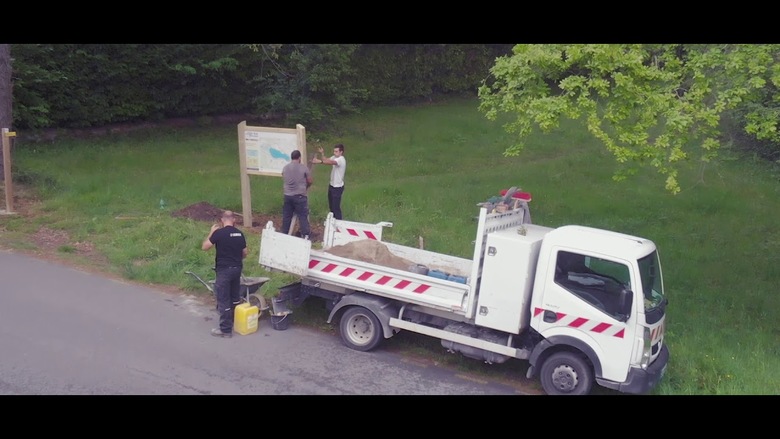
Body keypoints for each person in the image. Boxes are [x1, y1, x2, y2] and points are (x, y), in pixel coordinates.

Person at [202, 210, 248, 338]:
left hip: (224, 270)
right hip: (237, 269)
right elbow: (245, 253)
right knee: (234, 298)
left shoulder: (219, 233)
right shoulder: (240, 234)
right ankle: (235, 322)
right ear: (234, 219)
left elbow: (205, 247)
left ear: (222, 220)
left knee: (223, 299)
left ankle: (226, 330)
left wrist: (211, 232)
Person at [281, 149, 312, 239]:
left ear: (291, 158)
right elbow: (310, 180)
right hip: (300, 195)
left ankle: (284, 234)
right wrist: (306, 186)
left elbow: (283, 175)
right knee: (302, 216)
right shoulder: (303, 168)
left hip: (287, 195)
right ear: (299, 158)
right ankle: (305, 235)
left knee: (287, 216)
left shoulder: (285, 167)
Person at [313, 143, 346, 220]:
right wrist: (322, 153)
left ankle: (339, 223)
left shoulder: (341, 159)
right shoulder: (334, 157)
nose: (335, 153)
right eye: (334, 151)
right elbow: (326, 160)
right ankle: (333, 222)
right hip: (332, 185)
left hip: (337, 187)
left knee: (336, 207)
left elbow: (331, 162)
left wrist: (319, 162)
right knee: (331, 206)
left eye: (336, 151)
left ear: (341, 152)